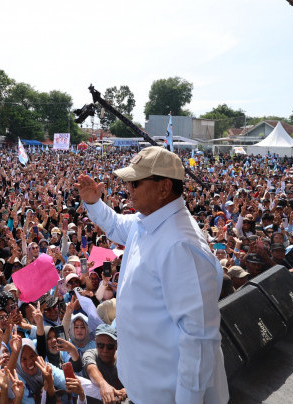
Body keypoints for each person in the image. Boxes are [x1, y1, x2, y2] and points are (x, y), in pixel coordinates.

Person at [76, 146, 228, 403]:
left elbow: (199, 339)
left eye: (135, 183)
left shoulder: (181, 245)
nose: (129, 189)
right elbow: (113, 224)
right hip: (145, 390)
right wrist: (93, 201)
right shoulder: (146, 221)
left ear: (164, 187)